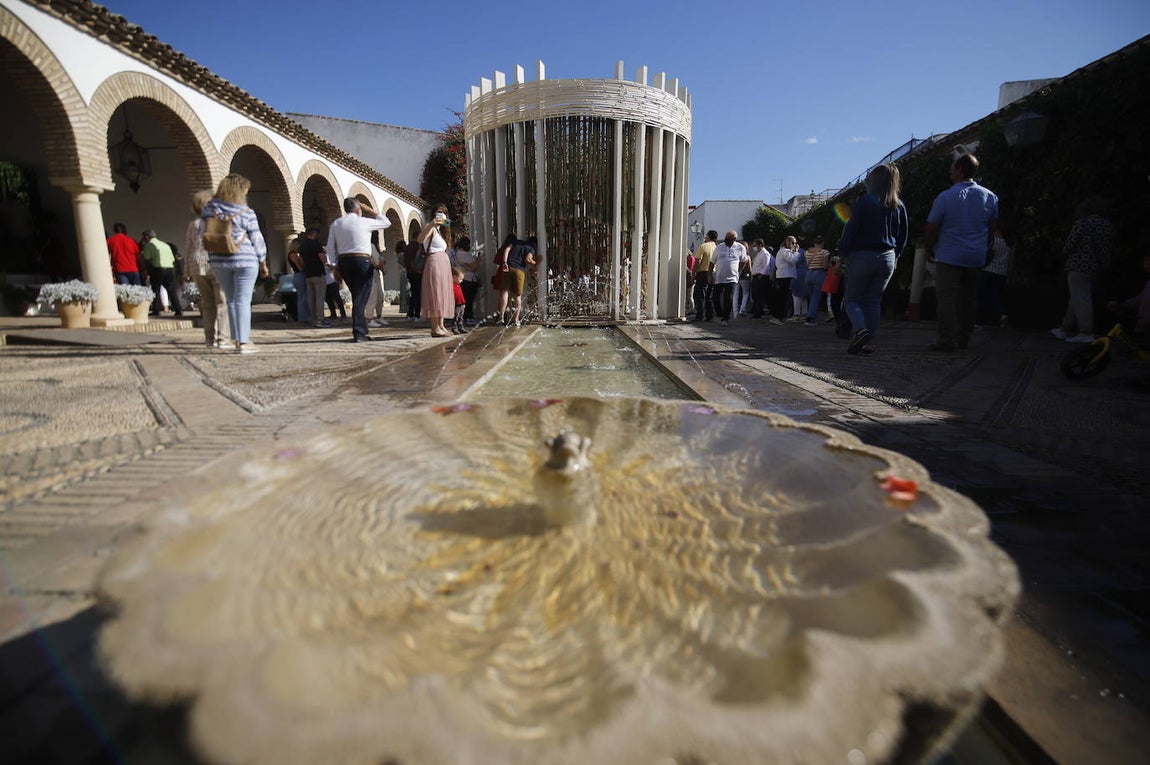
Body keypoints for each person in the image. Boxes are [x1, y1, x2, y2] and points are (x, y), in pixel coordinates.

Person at [924, 153, 998, 352]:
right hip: (975, 256)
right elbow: (992, 227)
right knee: (969, 298)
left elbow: (931, 227)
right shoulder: (990, 196)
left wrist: (929, 248)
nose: (950, 171)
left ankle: (947, 340)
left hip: (949, 254)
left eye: (952, 168)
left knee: (947, 299)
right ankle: (964, 338)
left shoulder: (946, 196)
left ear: (959, 170)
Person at [839, 163, 909, 354]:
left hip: (862, 255)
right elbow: (903, 236)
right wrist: (896, 256)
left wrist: (842, 252)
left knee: (852, 299)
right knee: (873, 301)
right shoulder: (899, 206)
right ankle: (869, 343)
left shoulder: (865, 202)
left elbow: (851, 231)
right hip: (887, 257)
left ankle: (861, 331)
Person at [201, 174, 268, 354]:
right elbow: (256, 238)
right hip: (245, 258)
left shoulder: (209, 209)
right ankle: (244, 342)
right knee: (243, 301)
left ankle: (237, 340)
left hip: (219, 260)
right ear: (240, 191)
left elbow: (203, 233)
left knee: (230, 299)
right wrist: (263, 261)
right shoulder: (246, 212)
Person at [326, 197, 391, 343]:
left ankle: (361, 329)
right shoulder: (364, 221)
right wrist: (368, 209)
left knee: (357, 295)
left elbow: (330, 247)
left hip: (344, 262)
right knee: (360, 297)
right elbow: (386, 222)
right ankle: (359, 331)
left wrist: (333, 266)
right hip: (361, 260)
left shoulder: (336, 223)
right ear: (358, 209)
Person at [1051, 197, 1114, 343]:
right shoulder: (1107, 225)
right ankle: (1065, 328)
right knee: (1077, 297)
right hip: (1096, 266)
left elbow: (1069, 246)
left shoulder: (1081, 224)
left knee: (1081, 298)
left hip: (1078, 265)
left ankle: (1086, 332)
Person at [184, 189, 231, 348]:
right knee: (222, 301)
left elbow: (189, 248)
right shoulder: (218, 221)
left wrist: (187, 270)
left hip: (197, 265)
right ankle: (223, 338)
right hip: (216, 264)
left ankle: (209, 339)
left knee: (207, 303)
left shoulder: (193, 224)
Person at [417, 204, 454, 338]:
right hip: (434, 262)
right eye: (438, 212)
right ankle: (435, 327)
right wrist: (432, 224)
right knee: (435, 294)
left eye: (443, 213)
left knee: (443, 294)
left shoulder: (441, 231)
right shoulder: (431, 227)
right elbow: (420, 239)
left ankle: (441, 325)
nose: (441, 215)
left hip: (443, 263)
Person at [709, 231, 748, 326]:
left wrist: (739, 271)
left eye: (729, 238)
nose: (726, 240)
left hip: (732, 278)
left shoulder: (740, 247)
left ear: (734, 239)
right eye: (726, 237)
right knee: (715, 298)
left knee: (728, 298)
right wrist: (709, 275)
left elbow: (744, 260)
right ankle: (720, 313)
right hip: (719, 277)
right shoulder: (719, 247)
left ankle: (725, 319)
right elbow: (711, 262)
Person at [140, 229, 182, 317]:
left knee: (155, 290)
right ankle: (178, 309)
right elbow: (172, 259)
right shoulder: (164, 244)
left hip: (158, 269)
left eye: (144, 238)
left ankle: (156, 310)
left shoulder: (149, 245)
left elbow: (146, 259)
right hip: (169, 269)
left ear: (147, 237)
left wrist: (147, 271)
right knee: (172, 290)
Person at [497, 235, 537, 326]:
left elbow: (507, 249)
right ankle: (516, 319)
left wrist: (505, 262)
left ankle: (501, 316)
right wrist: (536, 262)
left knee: (504, 292)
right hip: (519, 270)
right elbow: (528, 259)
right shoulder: (531, 247)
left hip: (508, 267)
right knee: (517, 295)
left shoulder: (516, 242)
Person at [978, 224, 1012, 328]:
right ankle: (1001, 315)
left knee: (982, 296)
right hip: (1002, 273)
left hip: (988, 270)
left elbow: (987, 254)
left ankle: (979, 321)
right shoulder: (1009, 245)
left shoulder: (994, 241)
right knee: (994, 295)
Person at [295, 227, 328, 327]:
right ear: (315, 234)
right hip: (318, 273)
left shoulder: (302, 246)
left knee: (311, 298)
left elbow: (301, 260)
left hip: (308, 274)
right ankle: (320, 320)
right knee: (319, 298)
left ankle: (313, 319)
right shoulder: (316, 245)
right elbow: (323, 259)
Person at [450, 236, 480, 324]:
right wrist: (478, 260)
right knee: (469, 299)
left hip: (466, 278)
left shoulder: (458, 253)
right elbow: (473, 266)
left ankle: (465, 317)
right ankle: (468, 317)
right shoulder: (463, 254)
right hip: (468, 279)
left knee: (467, 299)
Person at [802, 236, 831, 326]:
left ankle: (809, 314)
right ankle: (810, 318)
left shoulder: (807, 252)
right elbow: (825, 266)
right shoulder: (824, 252)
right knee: (816, 297)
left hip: (809, 274)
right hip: (819, 274)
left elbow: (807, 264)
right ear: (822, 243)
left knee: (811, 297)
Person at [692, 230, 718, 321]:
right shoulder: (716, 248)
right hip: (713, 273)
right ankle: (709, 315)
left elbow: (697, 261)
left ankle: (699, 314)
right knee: (709, 295)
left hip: (703, 273)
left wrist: (693, 273)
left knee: (699, 294)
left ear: (708, 236)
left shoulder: (703, 246)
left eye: (706, 235)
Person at [774, 235, 801, 321]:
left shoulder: (786, 251)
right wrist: (796, 252)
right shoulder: (785, 251)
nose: (795, 245)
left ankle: (781, 315)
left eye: (796, 243)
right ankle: (779, 316)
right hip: (784, 276)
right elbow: (793, 260)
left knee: (784, 297)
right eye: (793, 243)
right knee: (783, 297)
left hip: (785, 276)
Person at [286, 232, 310, 324]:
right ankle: (303, 318)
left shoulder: (291, 254)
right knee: (303, 298)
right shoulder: (294, 255)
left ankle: (303, 317)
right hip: (300, 275)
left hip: (297, 276)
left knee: (302, 297)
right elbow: (301, 267)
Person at [367, 230, 388, 327]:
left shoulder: (374, 247)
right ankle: (369, 319)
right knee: (373, 297)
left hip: (376, 273)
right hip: (371, 273)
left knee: (380, 296)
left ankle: (379, 316)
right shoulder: (370, 246)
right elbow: (377, 262)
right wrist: (382, 264)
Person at [749, 239, 773, 319]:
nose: (754, 247)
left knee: (758, 295)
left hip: (761, 277)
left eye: (755, 245)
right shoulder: (759, 253)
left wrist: (761, 275)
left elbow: (766, 265)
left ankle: (758, 312)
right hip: (756, 276)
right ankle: (759, 310)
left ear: (760, 245)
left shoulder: (765, 253)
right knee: (755, 295)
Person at [450, 266, 467, 334]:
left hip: (461, 302)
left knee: (461, 316)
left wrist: (463, 303)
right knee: (456, 316)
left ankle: (460, 327)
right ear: (454, 277)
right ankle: (454, 327)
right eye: (460, 279)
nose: (461, 281)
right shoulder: (451, 285)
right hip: (456, 303)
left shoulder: (458, 285)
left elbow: (460, 295)